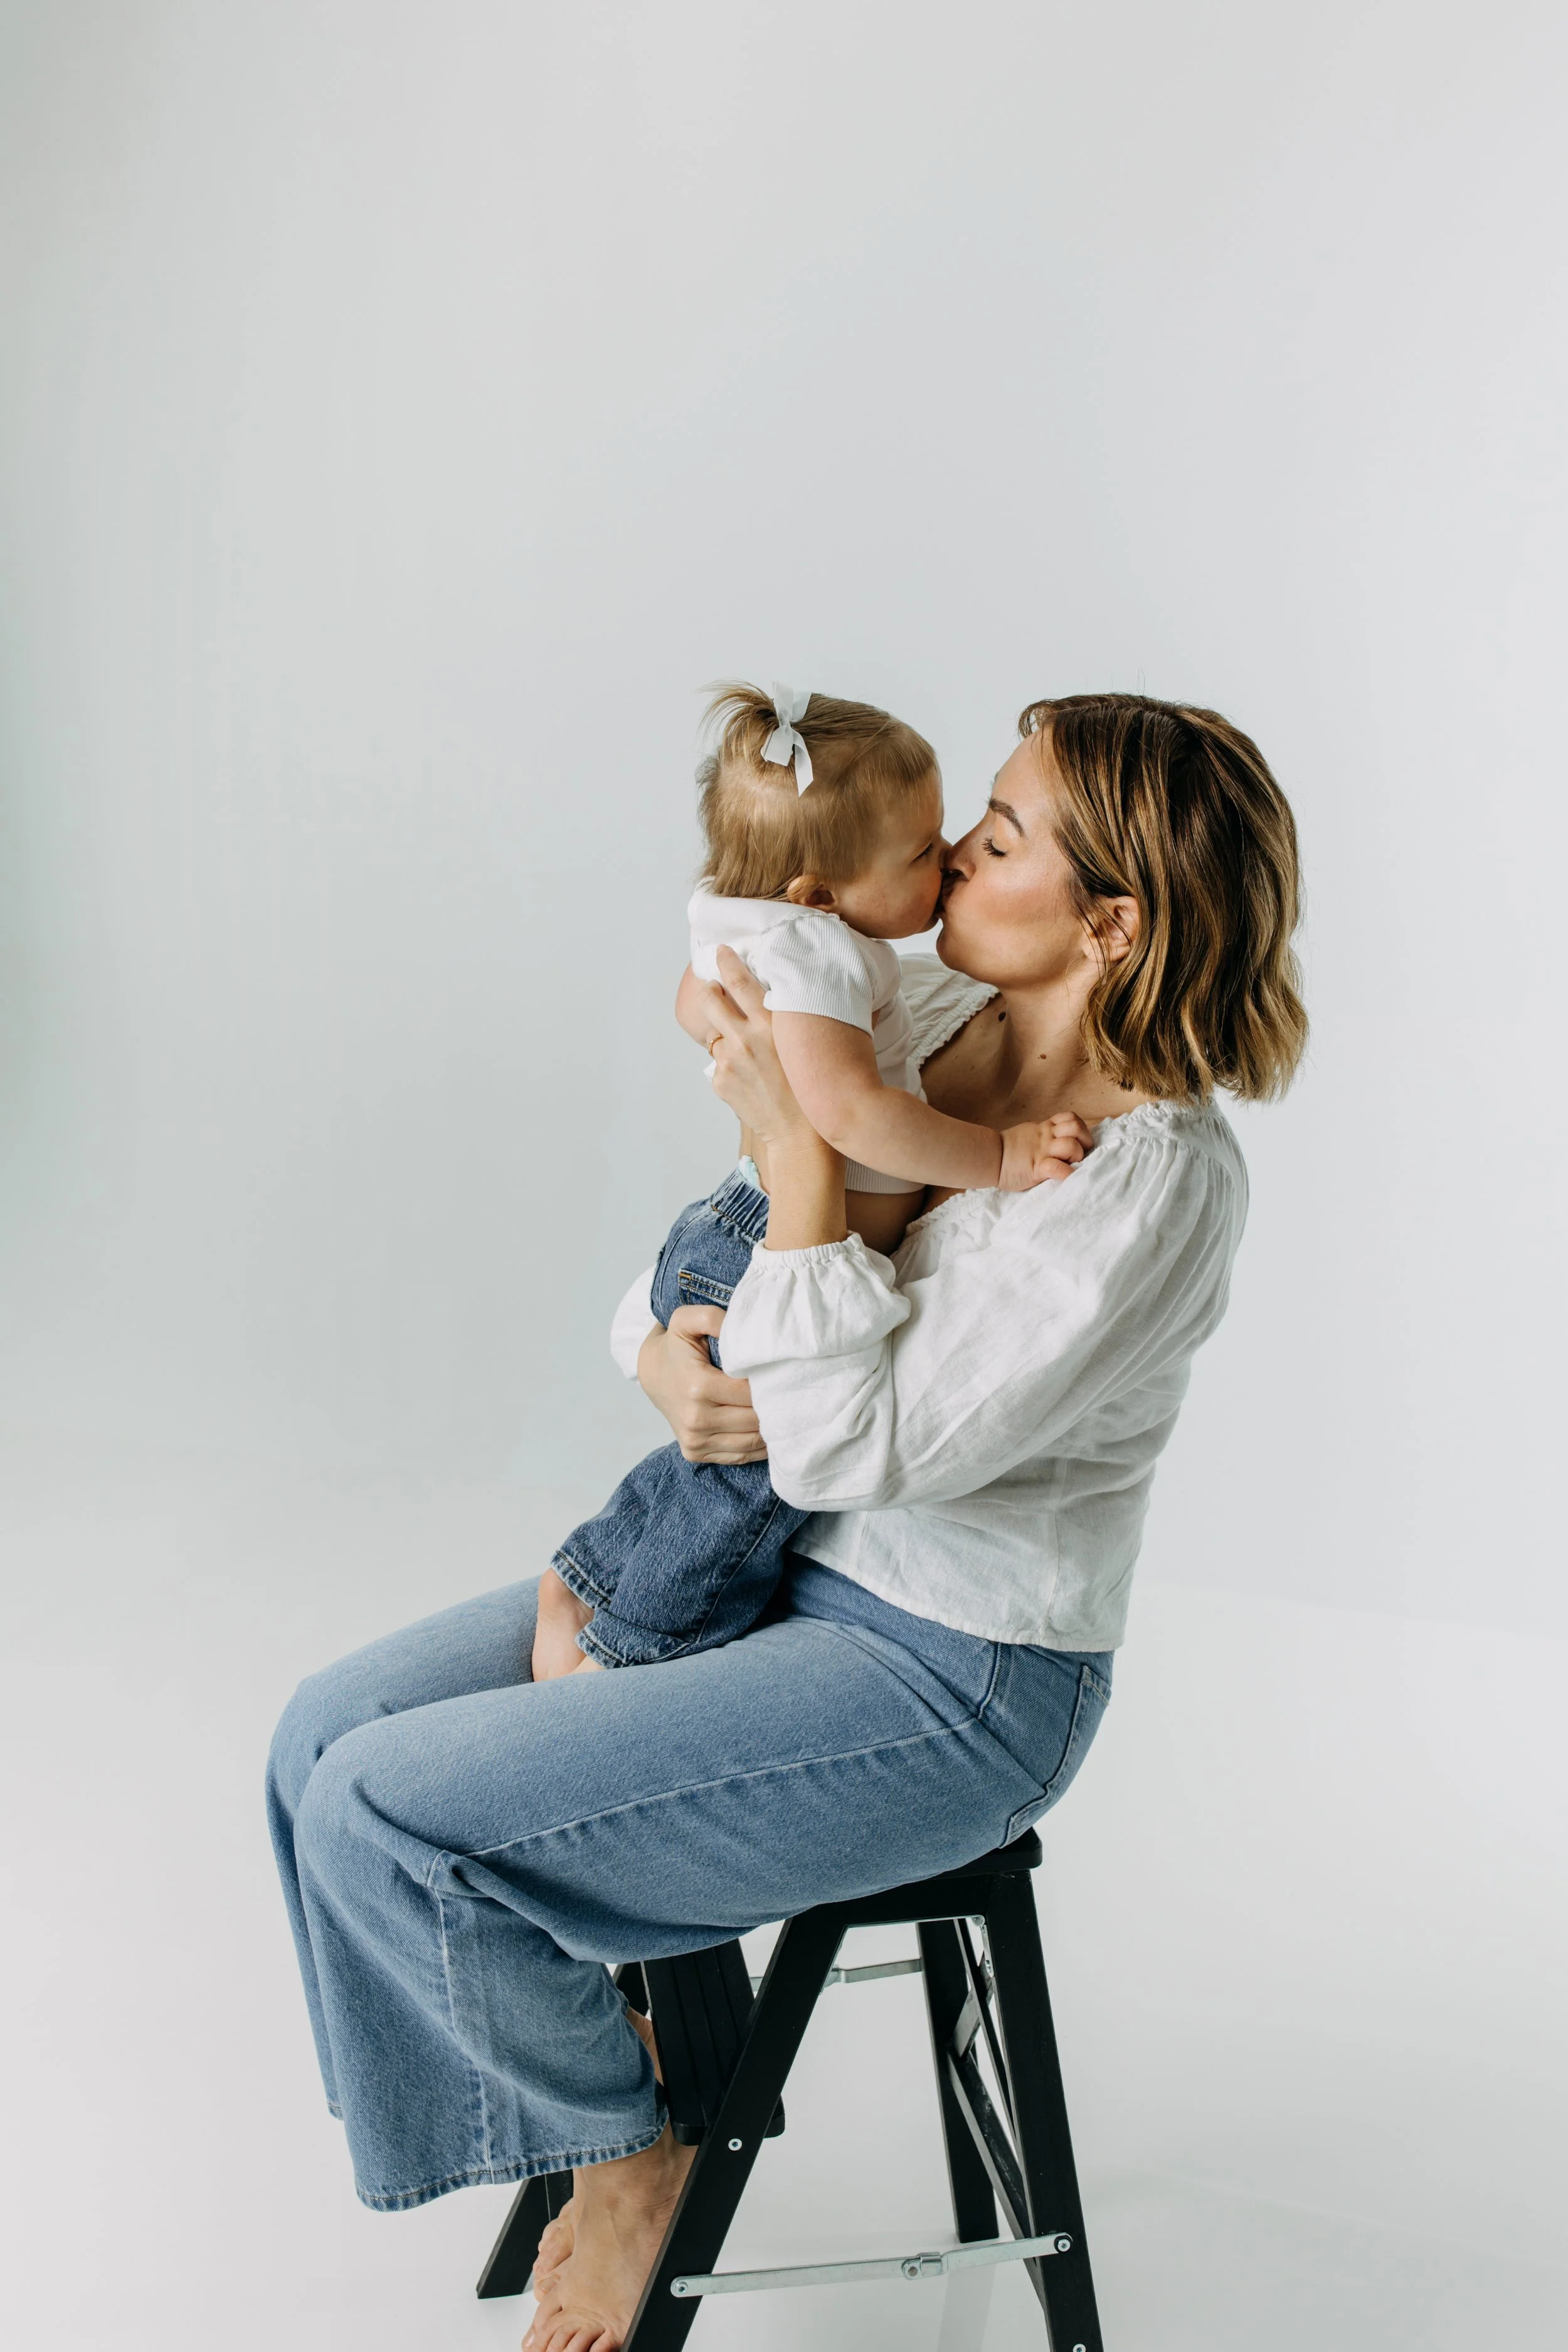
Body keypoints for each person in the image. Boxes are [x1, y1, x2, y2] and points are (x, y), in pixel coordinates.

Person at [267, 691, 1306, 2352]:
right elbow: (699, 1259)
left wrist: (800, 1161)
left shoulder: (1148, 1184)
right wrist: (663, 1360)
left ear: (1109, 924)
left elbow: (842, 1448)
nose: (954, 852)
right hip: (766, 1566)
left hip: (953, 1674)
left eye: (1001, 838)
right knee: (323, 1740)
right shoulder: (926, 1008)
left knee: (388, 1811)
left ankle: (628, 2148)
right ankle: (560, 2087)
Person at [532, 681, 1087, 1682]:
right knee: (744, 1496)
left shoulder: (777, 930)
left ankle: (588, 1575)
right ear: (820, 896)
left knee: (712, 1473)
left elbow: (696, 996)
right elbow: (852, 1117)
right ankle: (628, 1654)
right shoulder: (826, 956)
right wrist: (1001, 1157)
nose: (950, 857)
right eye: (922, 852)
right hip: (765, 1247)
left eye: (978, 840)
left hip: (732, 1226)